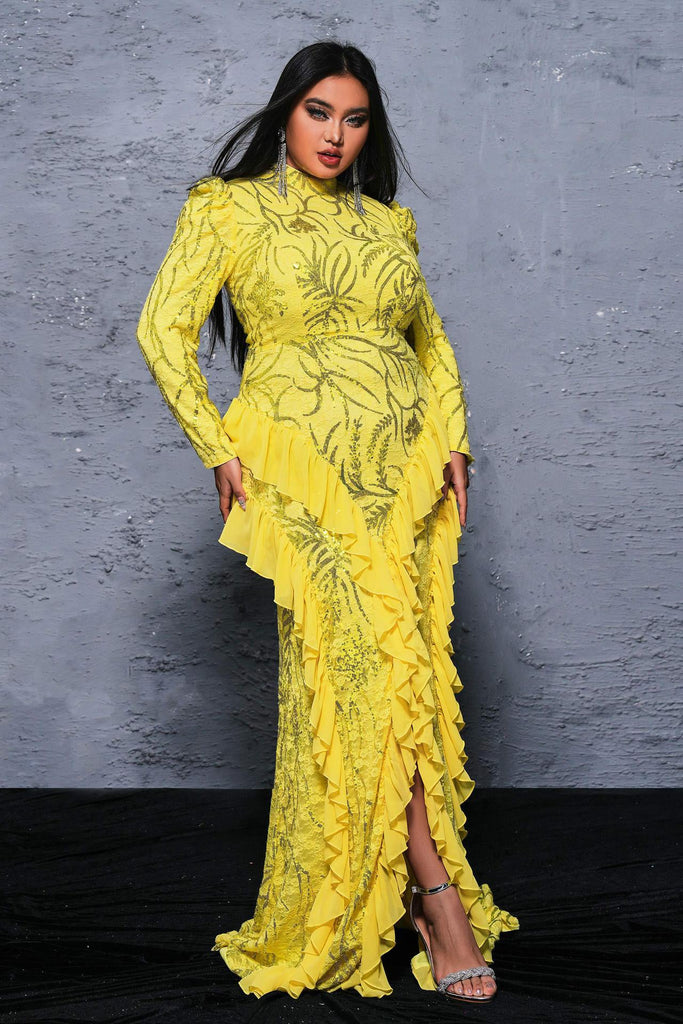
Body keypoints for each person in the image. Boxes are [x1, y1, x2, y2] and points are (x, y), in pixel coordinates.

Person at [137, 39, 519, 1003]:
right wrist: (216, 446)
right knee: (359, 674)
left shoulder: (389, 225)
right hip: (298, 469)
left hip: (404, 476)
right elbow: (162, 328)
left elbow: (429, 342)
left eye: (354, 119)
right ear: (285, 114)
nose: (335, 136)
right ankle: (436, 901)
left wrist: (453, 440)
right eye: (318, 113)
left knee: (405, 676)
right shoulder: (226, 208)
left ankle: (401, 888)